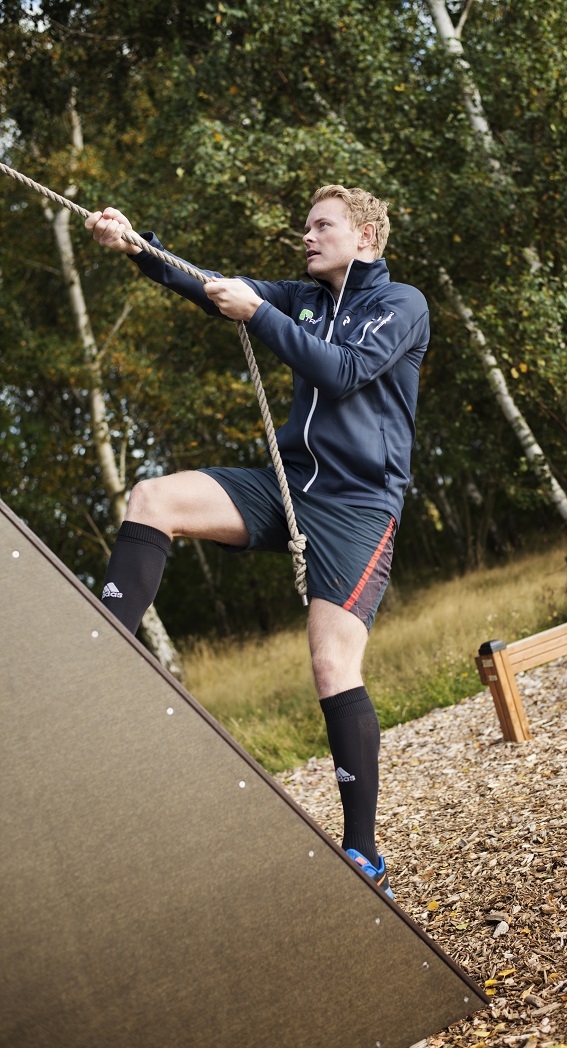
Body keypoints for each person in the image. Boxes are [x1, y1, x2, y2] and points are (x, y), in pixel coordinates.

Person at [85, 185, 430, 898]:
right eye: (306, 227)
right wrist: (135, 245)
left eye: (322, 226)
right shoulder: (301, 299)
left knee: (332, 664)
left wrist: (261, 313)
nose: (308, 236)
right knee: (152, 497)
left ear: (365, 237)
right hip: (288, 484)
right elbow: (208, 283)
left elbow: (342, 373)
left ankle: (363, 853)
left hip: (358, 509)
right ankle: (99, 663)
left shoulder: (401, 304)